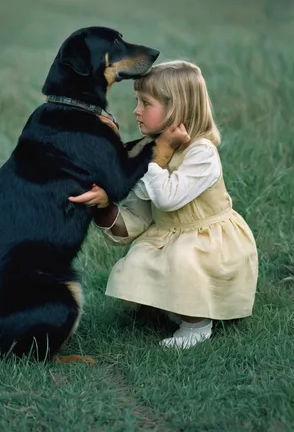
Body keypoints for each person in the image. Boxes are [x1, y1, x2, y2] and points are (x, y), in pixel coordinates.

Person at [69, 60, 258, 349]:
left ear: (176, 109)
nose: (136, 111)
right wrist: (104, 206)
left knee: (182, 258)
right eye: (137, 101)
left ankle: (197, 324)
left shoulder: (202, 153)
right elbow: (139, 217)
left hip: (208, 242)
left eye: (146, 103)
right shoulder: (151, 150)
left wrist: (157, 155)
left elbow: (168, 198)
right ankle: (172, 305)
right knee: (141, 256)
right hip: (172, 233)